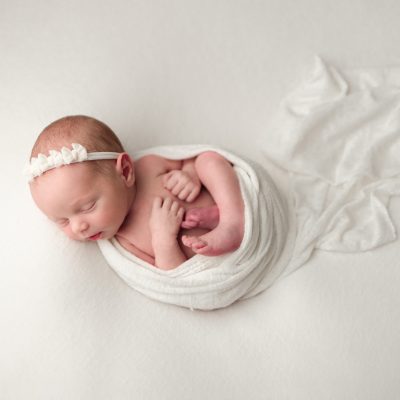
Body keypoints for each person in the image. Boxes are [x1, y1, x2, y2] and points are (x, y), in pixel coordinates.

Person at [27, 115, 244, 270]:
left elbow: (189, 158)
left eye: (87, 207)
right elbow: (172, 276)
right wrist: (163, 238)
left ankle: (232, 220)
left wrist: (189, 174)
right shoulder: (125, 240)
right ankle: (221, 219)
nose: (78, 227)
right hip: (216, 256)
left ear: (125, 171)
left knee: (209, 160)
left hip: (229, 201)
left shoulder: (149, 167)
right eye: (62, 221)